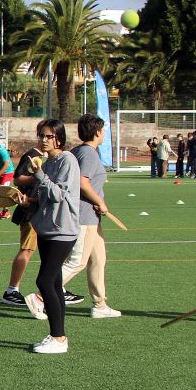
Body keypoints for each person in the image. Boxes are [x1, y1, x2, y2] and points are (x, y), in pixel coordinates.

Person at [15, 119, 80, 354]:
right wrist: (27, 202)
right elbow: (44, 198)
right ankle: (58, 336)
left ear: (59, 139)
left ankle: (59, 338)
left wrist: (39, 173)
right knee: (53, 282)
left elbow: (59, 195)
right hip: (47, 228)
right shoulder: (50, 162)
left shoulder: (67, 160)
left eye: (49, 136)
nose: (43, 140)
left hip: (62, 231)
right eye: (41, 135)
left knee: (44, 281)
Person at [60, 114, 120, 319]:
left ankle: (100, 304)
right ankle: (42, 295)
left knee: (98, 259)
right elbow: (83, 182)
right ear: (97, 133)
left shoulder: (77, 151)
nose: (104, 134)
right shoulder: (88, 154)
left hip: (90, 217)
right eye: (102, 130)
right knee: (78, 261)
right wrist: (100, 202)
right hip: (84, 215)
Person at [1, 124, 45, 306]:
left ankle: (60, 287)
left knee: (51, 252)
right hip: (30, 210)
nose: (47, 139)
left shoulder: (47, 156)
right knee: (27, 250)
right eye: (44, 135)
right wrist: (39, 177)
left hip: (44, 210)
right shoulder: (33, 155)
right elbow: (17, 178)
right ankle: (11, 290)